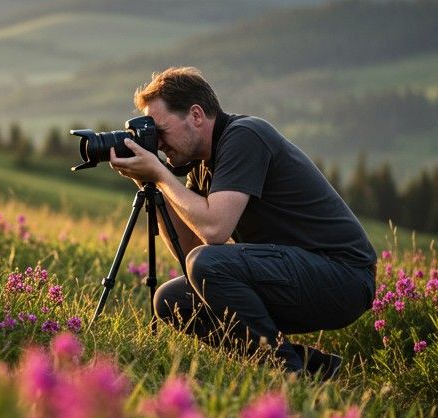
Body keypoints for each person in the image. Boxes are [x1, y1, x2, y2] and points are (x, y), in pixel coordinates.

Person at [108, 67, 376, 377]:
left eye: (162, 130)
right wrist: (149, 184)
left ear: (196, 116)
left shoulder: (245, 136)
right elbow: (192, 249)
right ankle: (313, 368)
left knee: (207, 264)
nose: (159, 143)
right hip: (299, 272)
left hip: (343, 276)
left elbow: (214, 230)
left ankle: (288, 375)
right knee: (171, 300)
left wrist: (162, 175)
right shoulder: (202, 166)